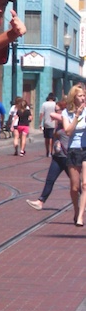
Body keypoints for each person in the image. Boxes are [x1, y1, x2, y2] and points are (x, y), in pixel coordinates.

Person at [26, 121, 72, 214]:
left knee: (76, 183)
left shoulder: (71, 123)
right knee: (50, 180)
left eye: (58, 110)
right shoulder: (58, 125)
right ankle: (40, 202)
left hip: (67, 158)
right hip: (57, 158)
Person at [60, 83, 86, 226]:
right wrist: (76, 115)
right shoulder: (66, 113)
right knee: (74, 187)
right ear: (74, 98)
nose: (83, 98)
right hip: (74, 150)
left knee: (85, 184)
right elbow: (68, 132)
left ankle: (81, 216)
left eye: (84, 96)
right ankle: (76, 210)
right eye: (80, 96)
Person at [39, 91, 58, 156]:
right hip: (53, 123)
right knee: (52, 138)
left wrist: (40, 123)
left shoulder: (44, 104)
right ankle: (51, 151)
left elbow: (41, 114)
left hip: (46, 123)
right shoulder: (55, 104)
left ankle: (47, 150)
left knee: (46, 138)